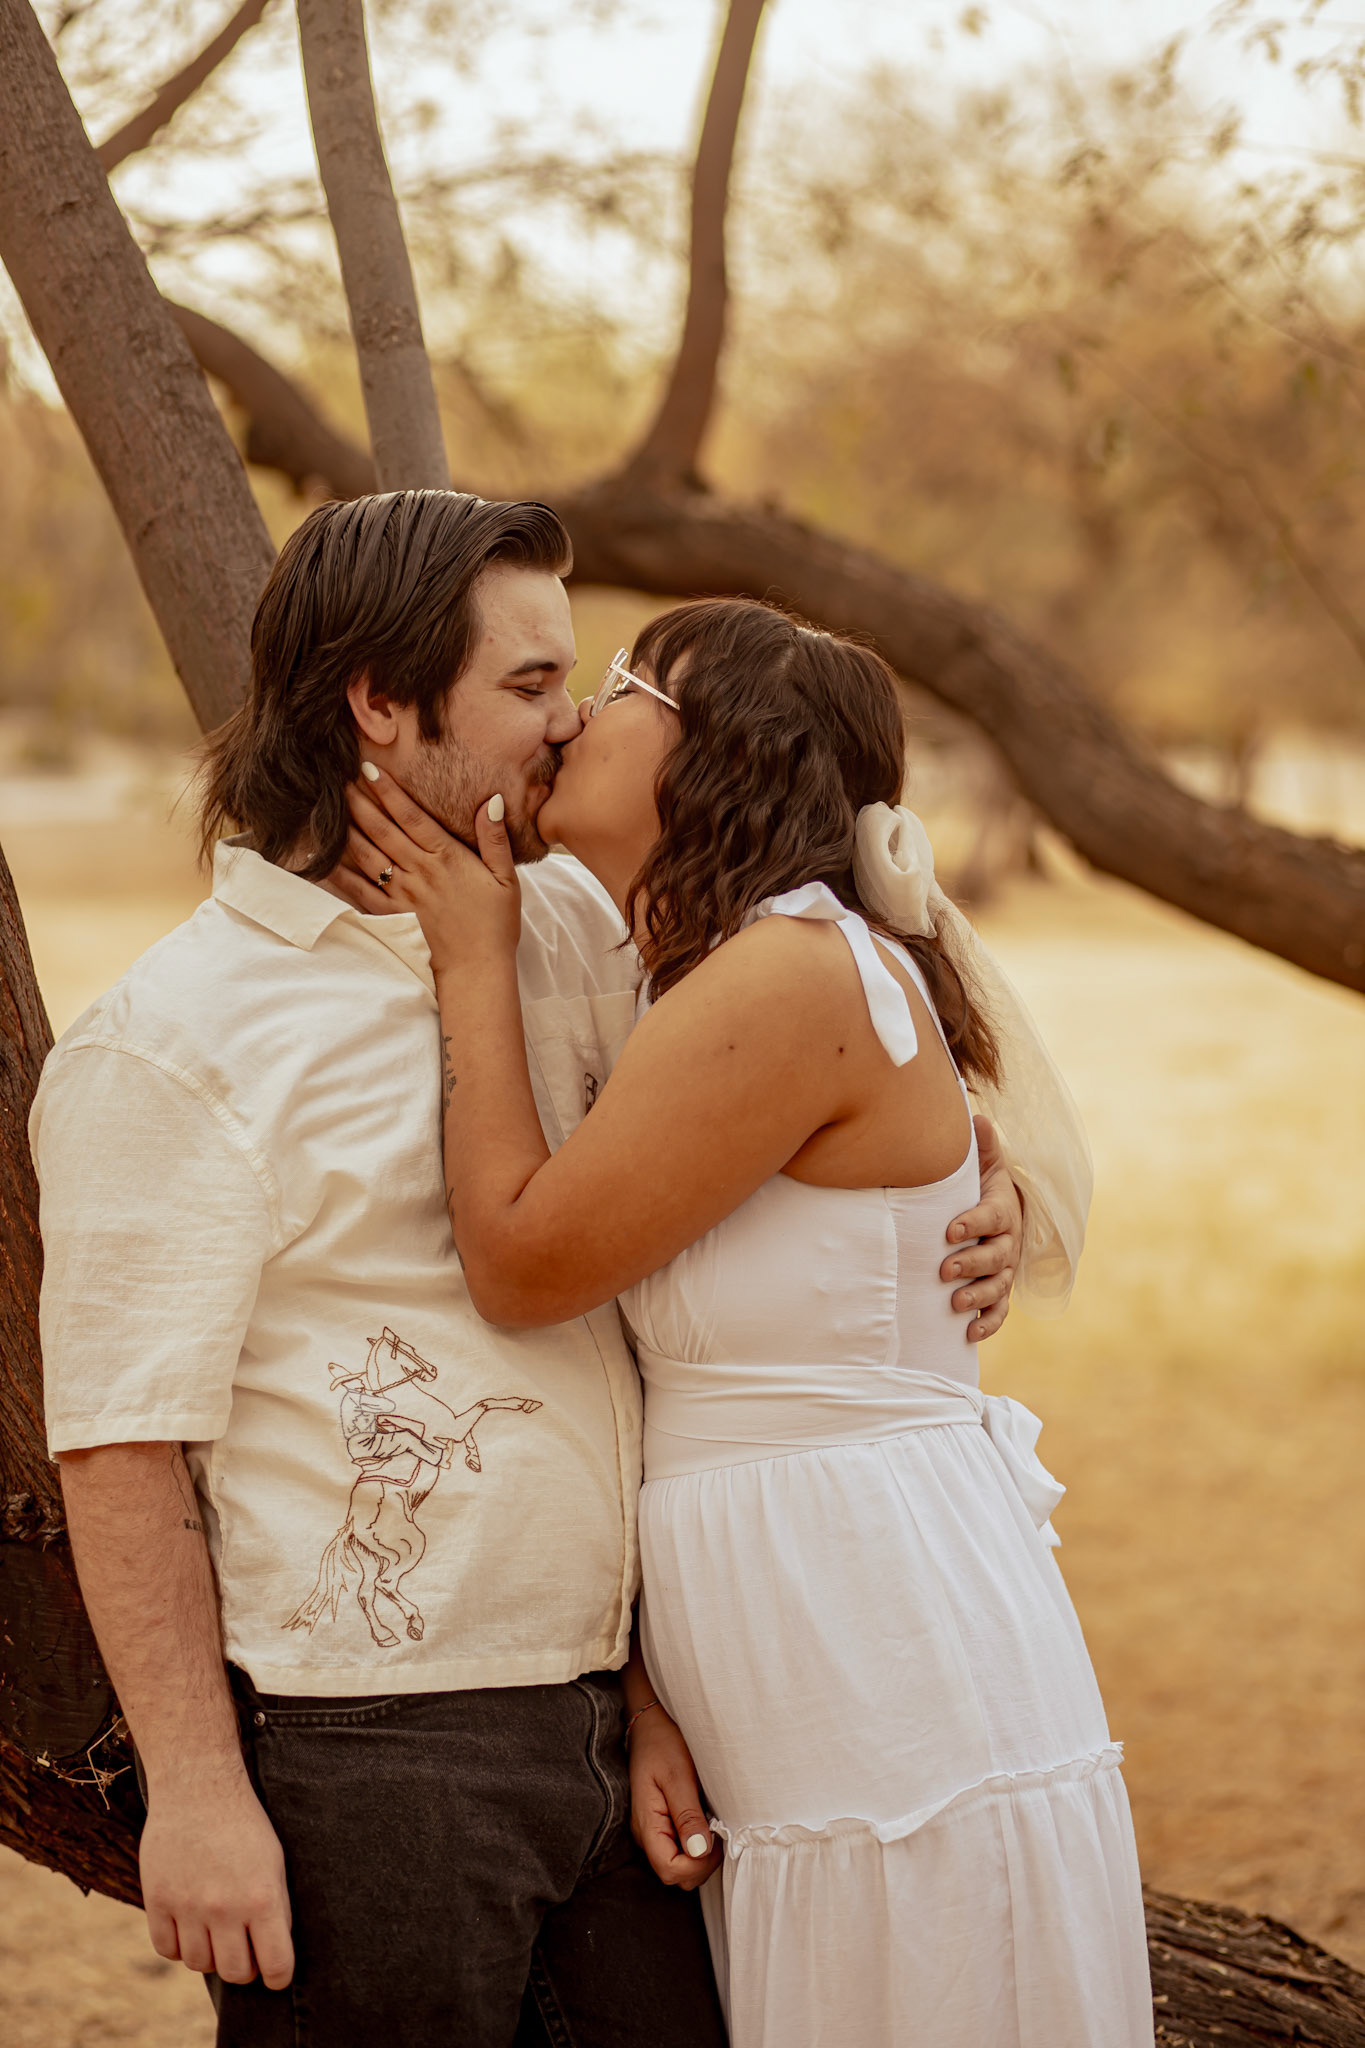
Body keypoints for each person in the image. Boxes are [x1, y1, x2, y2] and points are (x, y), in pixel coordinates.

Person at [30, 491, 1035, 2048]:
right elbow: (118, 1443)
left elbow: (790, 1099)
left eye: (575, 680)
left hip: (620, 1724)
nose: (569, 722)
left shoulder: (576, 930)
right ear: (380, 701)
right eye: (528, 684)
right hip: (370, 1745)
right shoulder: (172, 1044)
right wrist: (199, 1791)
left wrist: (974, 1181)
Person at [334, 594, 1152, 2048]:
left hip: (877, 1634)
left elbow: (522, 1264)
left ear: (722, 753)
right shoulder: (715, 975)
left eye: (624, 683)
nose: (580, 712)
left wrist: (472, 961)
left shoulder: (784, 974)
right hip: (797, 1642)